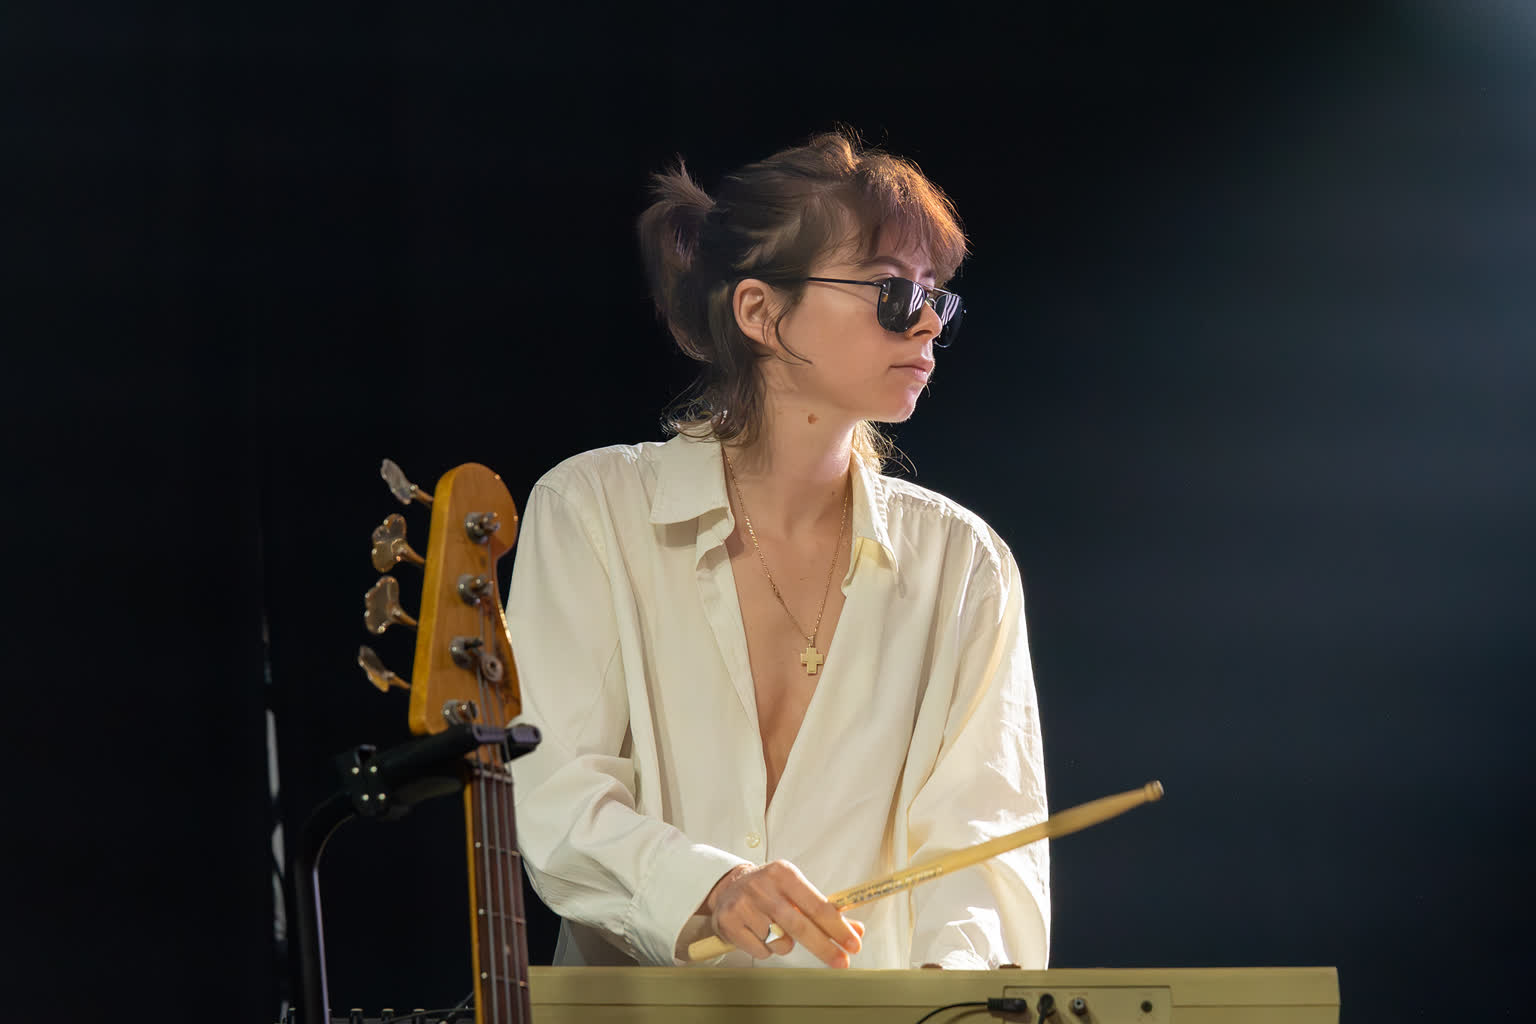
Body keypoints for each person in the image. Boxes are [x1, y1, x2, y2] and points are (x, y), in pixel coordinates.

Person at [506, 130, 1049, 971]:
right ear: (759, 311)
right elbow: (556, 796)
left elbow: (985, 848)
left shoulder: (963, 564)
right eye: (892, 291)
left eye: (936, 296)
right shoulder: (591, 511)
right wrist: (710, 888)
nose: (926, 323)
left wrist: (952, 996)